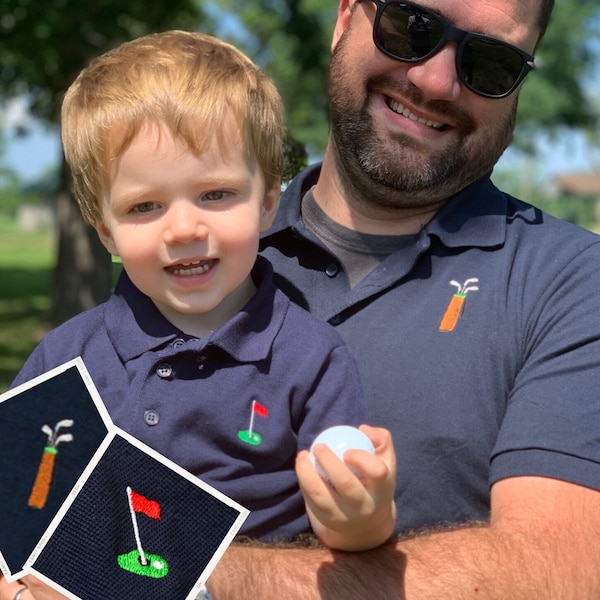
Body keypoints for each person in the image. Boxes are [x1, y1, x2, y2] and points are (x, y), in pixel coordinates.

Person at [200, 0, 600, 598]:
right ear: (343, 19)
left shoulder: (575, 284)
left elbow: (557, 571)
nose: (435, 80)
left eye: (489, 62)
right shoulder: (199, 253)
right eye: (411, 28)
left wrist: (180, 578)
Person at [0, 30, 396, 600]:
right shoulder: (67, 358)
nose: (184, 229)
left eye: (215, 194)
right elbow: (17, 503)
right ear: (104, 228)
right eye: (145, 206)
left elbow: (346, 537)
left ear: (267, 200)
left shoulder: (310, 358)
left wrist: (362, 510)